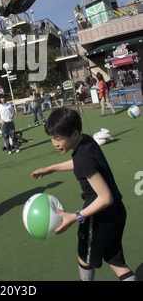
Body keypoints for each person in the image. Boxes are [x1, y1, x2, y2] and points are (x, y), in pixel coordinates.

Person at [31, 107, 136, 282]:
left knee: (85, 261)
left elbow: (105, 198)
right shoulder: (86, 141)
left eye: (58, 139)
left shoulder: (83, 158)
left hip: (99, 218)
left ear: (74, 134)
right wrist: (51, 169)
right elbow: (78, 163)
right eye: (51, 139)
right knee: (116, 261)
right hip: (117, 213)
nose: (55, 144)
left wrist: (75, 216)